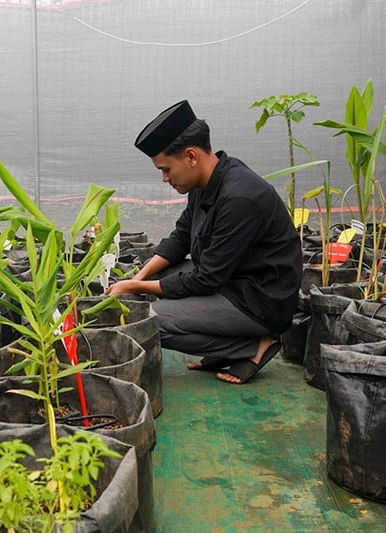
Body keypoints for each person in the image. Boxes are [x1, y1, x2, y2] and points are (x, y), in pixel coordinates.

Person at [106, 100, 302, 385]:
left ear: (191, 156)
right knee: (152, 281)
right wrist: (139, 277)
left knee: (148, 322)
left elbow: (206, 279)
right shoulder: (206, 182)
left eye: (166, 169)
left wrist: (135, 287)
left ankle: (251, 347)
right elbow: (181, 236)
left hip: (259, 299)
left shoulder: (239, 198)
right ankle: (231, 343)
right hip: (233, 280)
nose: (164, 179)